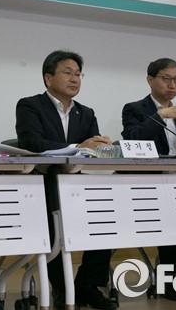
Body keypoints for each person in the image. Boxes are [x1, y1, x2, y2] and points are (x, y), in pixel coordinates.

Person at [16, 50, 116, 310]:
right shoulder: (30, 105)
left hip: (74, 183)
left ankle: (86, 285)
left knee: (107, 216)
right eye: (67, 73)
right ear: (48, 78)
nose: (74, 79)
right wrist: (77, 146)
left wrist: (102, 145)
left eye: (78, 74)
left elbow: (92, 151)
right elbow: (32, 142)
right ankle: (62, 289)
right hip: (42, 183)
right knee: (54, 215)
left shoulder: (86, 112)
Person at [121, 58, 176, 302]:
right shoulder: (135, 109)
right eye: (166, 79)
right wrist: (160, 115)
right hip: (149, 184)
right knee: (170, 220)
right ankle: (174, 281)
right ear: (150, 80)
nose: (172, 85)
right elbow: (132, 140)